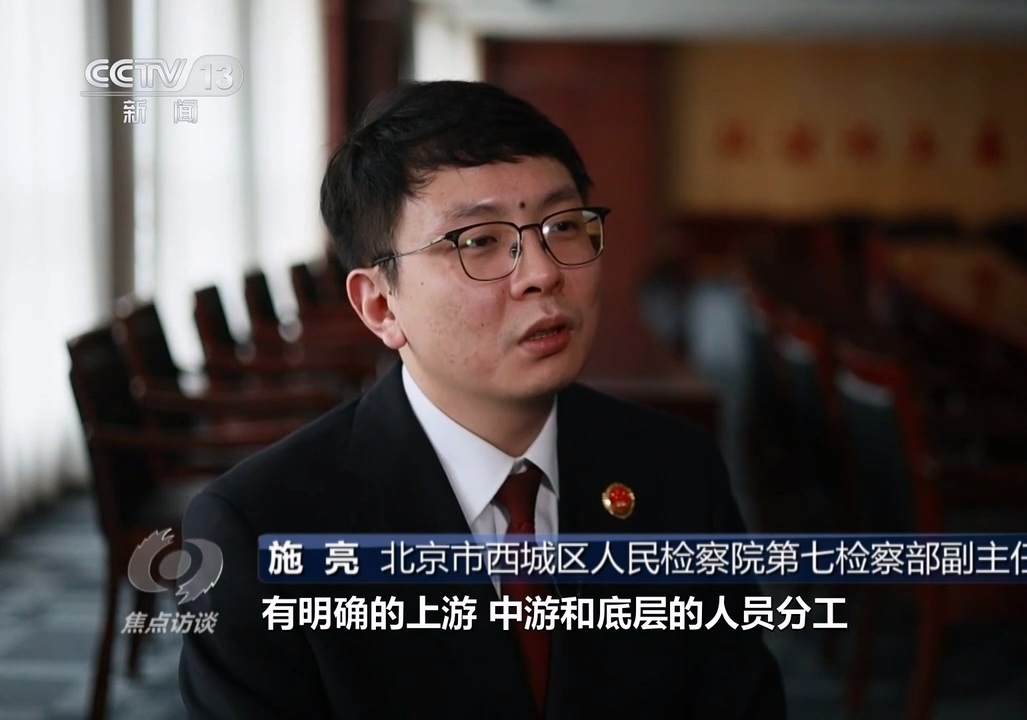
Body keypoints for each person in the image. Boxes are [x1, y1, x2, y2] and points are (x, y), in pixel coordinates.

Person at [178, 80, 786, 719]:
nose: (543, 272)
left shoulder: (678, 470)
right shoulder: (260, 529)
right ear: (381, 305)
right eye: (478, 241)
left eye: (564, 226)